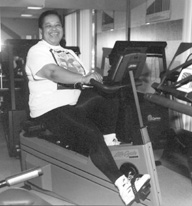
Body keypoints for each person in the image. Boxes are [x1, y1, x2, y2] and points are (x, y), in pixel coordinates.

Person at [25, 10, 150, 205]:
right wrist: (83, 78)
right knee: (91, 133)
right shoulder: (37, 51)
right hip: (49, 110)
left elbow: (86, 77)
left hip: (72, 105)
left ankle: (109, 142)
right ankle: (123, 185)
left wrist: (99, 77)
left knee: (109, 94)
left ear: (62, 29)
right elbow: (53, 72)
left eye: (57, 25)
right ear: (41, 30)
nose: (54, 29)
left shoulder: (69, 53)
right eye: (48, 25)